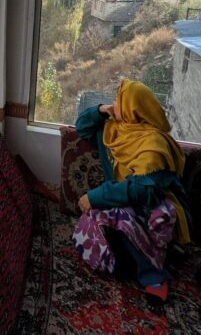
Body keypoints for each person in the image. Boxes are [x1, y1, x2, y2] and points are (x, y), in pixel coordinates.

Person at [59, 79, 191, 303]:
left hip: (156, 207)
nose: (113, 103)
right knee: (103, 214)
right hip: (127, 199)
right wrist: (102, 110)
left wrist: (95, 196)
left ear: (133, 108)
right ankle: (122, 261)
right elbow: (82, 126)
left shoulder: (153, 143)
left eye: (119, 100)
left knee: (118, 214)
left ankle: (154, 275)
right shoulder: (113, 130)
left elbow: (143, 190)